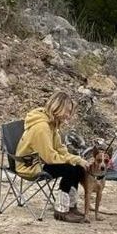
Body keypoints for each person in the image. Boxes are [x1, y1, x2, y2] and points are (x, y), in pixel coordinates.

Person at [15, 93, 89, 223]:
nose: (69, 115)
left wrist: (77, 160)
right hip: (30, 165)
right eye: (67, 111)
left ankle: (70, 206)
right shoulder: (42, 127)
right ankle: (61, 210)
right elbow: (49, 157)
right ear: (58, 108)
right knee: (69, 169)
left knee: (77, 167)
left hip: (40, 161)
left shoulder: (52, 124)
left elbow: (60, 149)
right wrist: (72, 161)